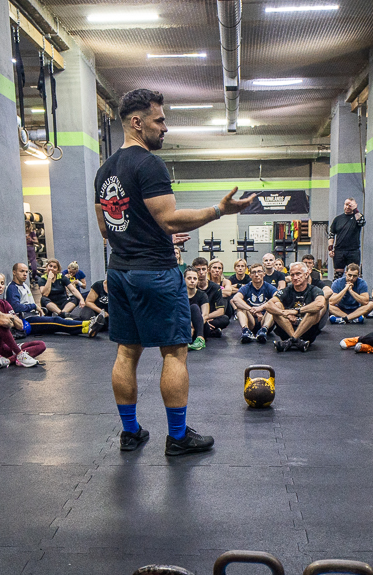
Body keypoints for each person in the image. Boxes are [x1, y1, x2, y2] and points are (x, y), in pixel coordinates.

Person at [93, 88, 255, 456]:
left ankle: (130, 433)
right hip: (154, 272)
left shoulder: (104, 170)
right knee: (174, 352)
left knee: (126, 353)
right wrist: (219, 211)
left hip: (119, 272)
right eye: (160, 120)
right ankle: (178, 437)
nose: (165, 128)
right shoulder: (149, 164)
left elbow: (107, 228)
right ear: (138, 123)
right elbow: (168, 219)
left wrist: (150, 233)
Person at [0, 271, 43, 368]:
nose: (0, 286)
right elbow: (3, 321)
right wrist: (10, 318)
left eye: (2, 283)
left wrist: (9, 317)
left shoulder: (4, 303)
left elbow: (20, 326)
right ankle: (19, 354)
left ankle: (8, 360)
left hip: (2, 347)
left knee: (41, 345)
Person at [5, 262, 90, 336]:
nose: (25, 274)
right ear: (14, 272)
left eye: (26, 272)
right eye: (22, 271)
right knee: (55, 321)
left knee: (56, 325)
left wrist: (38, 309)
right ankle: (86, 325)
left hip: (35, 314)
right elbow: (15, 307)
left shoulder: (24, 285)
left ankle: (85, 328)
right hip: (25, 320)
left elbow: (73, 290)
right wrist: (34, 306)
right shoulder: (13, 288)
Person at [261, 262, 327, 352]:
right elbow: (268, 305)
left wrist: (296, 311)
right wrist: (284, 313)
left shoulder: (314, 290)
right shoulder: (286, 290)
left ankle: (292, 340)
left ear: (306, 274)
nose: (295, 278)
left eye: (298, 274)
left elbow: (320, 304)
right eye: (292, 275)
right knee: (276, 306)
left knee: (314, 310)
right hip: (286, 330)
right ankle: (296, 340)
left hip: (307, 332)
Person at [232, 264, 277, 344]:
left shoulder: (269, 287)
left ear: (264, 274)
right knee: (240, 307)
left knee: (273, 306)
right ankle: (245, 330)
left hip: (265, 320)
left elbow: (278, 298)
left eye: (259, 271)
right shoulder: (247, 287)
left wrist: (261, 308)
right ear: (250, 275)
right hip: (251, 321)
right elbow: (235, 299)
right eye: (254, 272)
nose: (256, 275)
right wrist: (251, 309)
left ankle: (263, 330)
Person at [328, 197, 365, 278]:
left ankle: (354, 287)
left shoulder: (357, 217)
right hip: (339, 250)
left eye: (350, 205)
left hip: (353, 251)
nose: (347, 207)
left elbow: (362, 222)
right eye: (346, 204)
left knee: (354, 274)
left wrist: (355, 210)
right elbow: (331, 234)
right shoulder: (338, 219)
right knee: (338, 275)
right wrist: (330, 248)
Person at [196, 261, 230, 339]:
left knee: (225, 319)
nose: (201, 272)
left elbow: (221, 311)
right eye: (198, 270)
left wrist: (205, 318)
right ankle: (210, 330)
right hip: (196, 317)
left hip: (210, 317)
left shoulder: (216, 287)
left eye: (203, 269)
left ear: (207, 270)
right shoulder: (191, 285)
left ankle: (203, 328)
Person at [184, 267, 208, 351]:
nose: (192, 281)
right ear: (184, 280)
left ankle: (200, 339)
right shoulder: (179, 295)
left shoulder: (202, 295)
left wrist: (193, 326)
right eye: (189, 278)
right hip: (185, 326)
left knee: (194, 307)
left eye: (195, 278)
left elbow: (205, 315)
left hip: (199, 327)